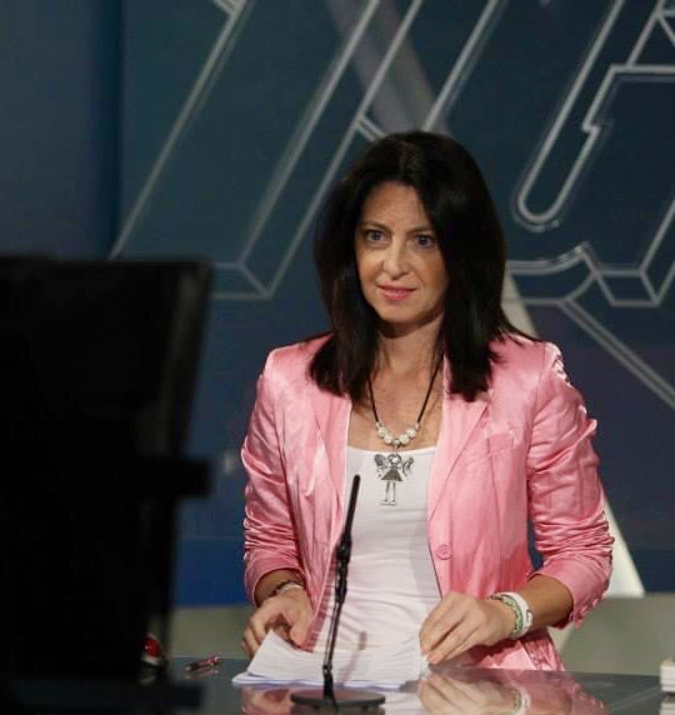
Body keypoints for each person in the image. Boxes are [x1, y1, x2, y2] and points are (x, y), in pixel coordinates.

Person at [240, 131, 612, 671]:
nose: (393, 265)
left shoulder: (528, 379)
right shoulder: (289, 381)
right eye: (375, 236)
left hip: (482, 690)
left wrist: (504, 612)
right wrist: (285, 591)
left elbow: (583, 551)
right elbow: (270, 541)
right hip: (327, 685)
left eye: (423, 241)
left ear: (461, 253)